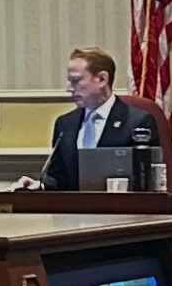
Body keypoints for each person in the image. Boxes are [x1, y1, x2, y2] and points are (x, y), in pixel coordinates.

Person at [14, 47, 149, 191]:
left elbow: (147, 182)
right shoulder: (65, 125)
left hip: (123, 211)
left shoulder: (138, 123)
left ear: (102, 79)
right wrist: (40, 186)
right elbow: (60, 179)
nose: (69, 88)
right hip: (72, 211)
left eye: (76, 81)